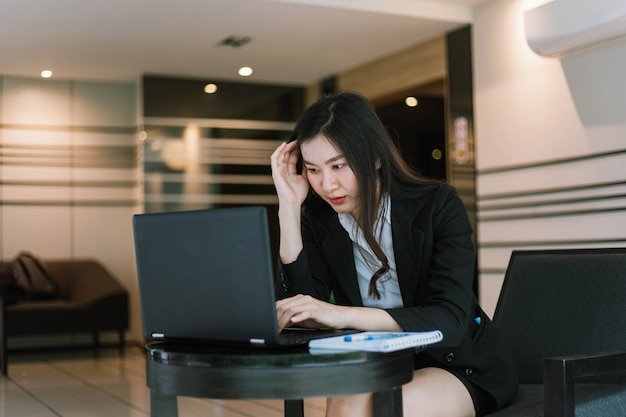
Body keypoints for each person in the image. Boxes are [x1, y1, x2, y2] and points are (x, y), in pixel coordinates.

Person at [270, 91, 517, 417]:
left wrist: (344, 315)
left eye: (339, 165)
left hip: (458, 364)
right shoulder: (320, 221)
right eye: (314, 170)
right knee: (346, 402)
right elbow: (302, 312)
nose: (327, 184)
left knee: (394, 404)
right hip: (378, 363)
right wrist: (288, 208)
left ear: (374, 157)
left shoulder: (438, 206)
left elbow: (449, 319)